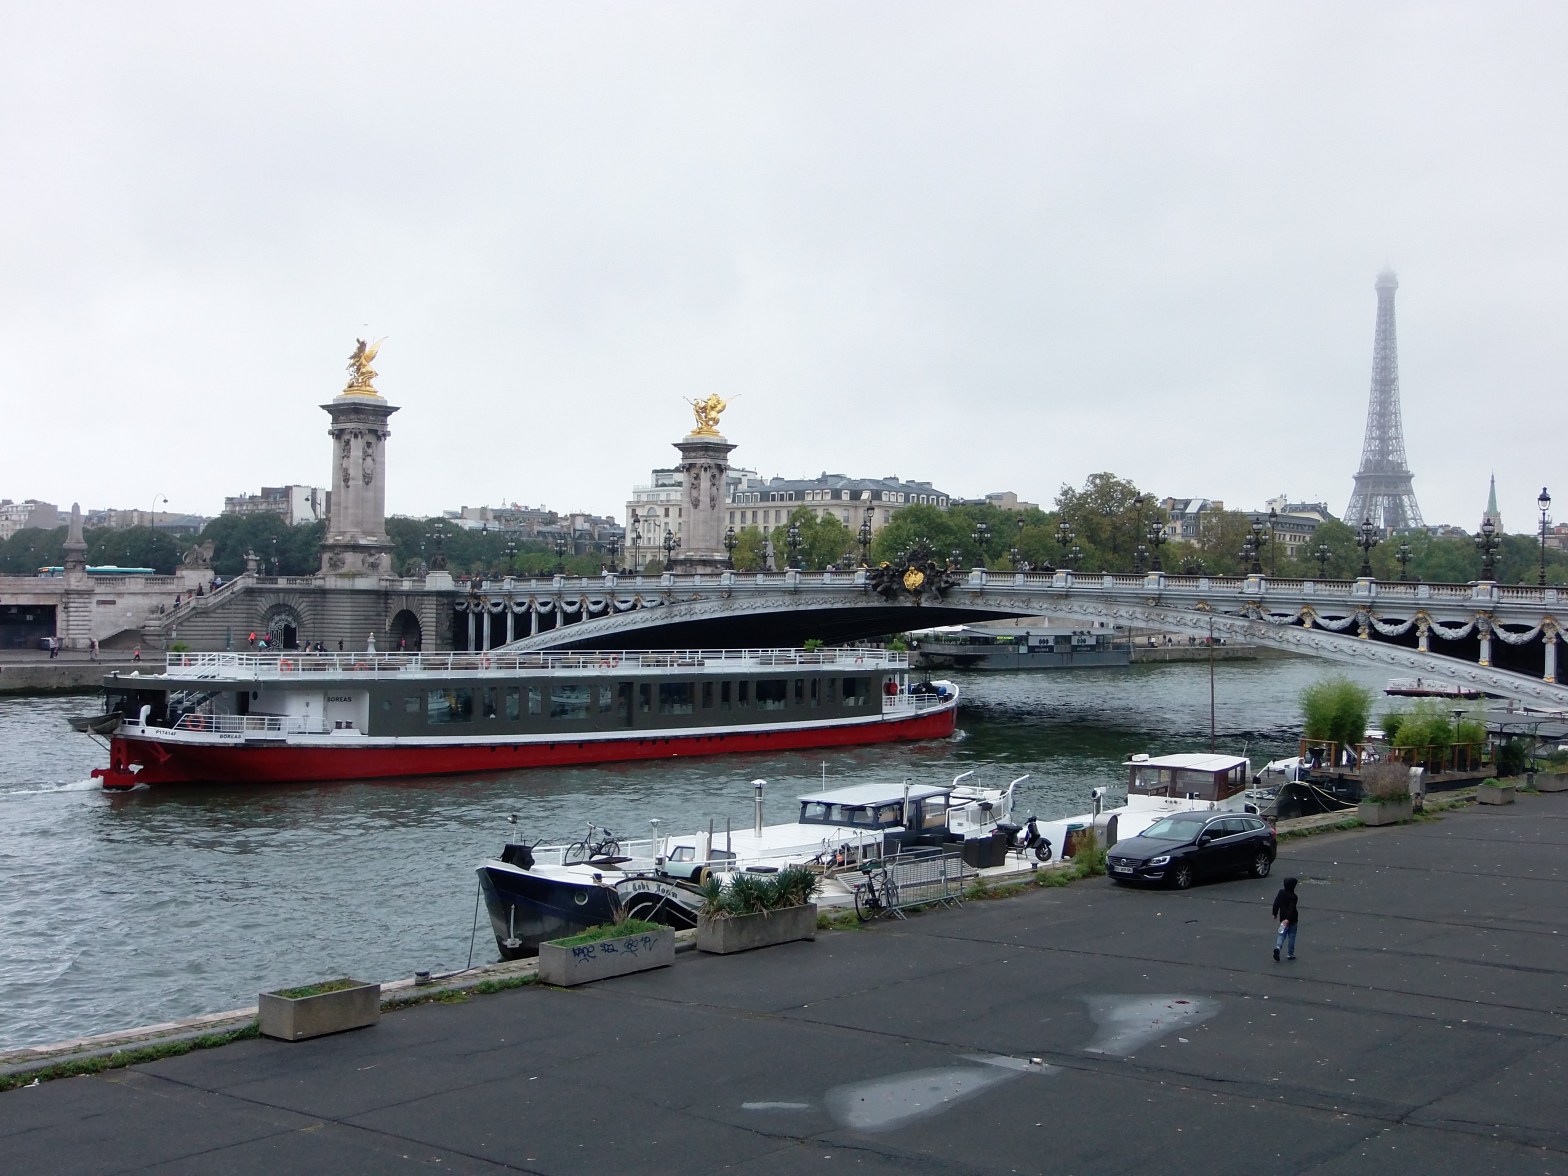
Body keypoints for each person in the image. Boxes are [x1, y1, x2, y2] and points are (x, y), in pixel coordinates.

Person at [1272, 876, 1300, 962]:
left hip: (1282, 918)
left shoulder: (1281, 892)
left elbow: (1276, 903)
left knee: (1281, 935)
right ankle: (1290, 953)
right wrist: (1288, 919)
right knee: (1292, 936)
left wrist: (1274, 913)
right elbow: (1291, 908)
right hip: (1292, 919)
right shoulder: (1294, 896)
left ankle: (1278, 947)